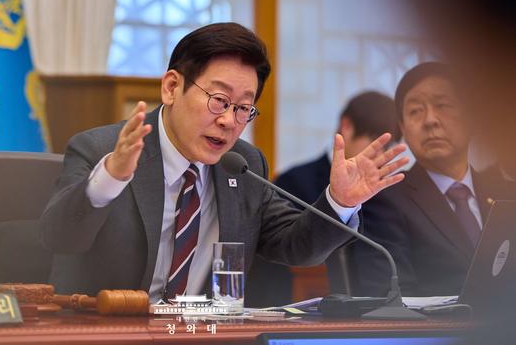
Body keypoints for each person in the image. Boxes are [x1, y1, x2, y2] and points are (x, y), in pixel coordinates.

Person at [40, 22, 408, 302]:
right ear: (171, 88)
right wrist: (111, 178)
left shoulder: (243, 165)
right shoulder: (99, 150)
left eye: (244, 107)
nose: (230, 121)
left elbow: (295, 246)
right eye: (219, 100)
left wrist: (340, 202)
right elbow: (59, 237)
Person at [354, 62, 506, 297]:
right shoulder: (385, 201)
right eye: (415, 111)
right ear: (403, 128)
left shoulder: (506, 194)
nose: (430, 120)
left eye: (443, 105)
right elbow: (390, 300)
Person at [246, 91, 400, 304]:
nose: (381, 154)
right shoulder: (295, 181)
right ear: (347, 126)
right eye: (375, 141)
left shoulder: (388, 194)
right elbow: (280, 261)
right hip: (307, 309)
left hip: (380, 309)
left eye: (388, 147)